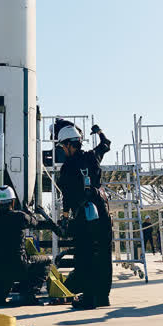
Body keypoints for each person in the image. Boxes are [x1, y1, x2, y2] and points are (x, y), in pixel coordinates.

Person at [56, 121, 112, 309]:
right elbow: (106, 144)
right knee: (103, 255)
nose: (63, 150)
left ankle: (88, 299)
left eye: (64, 146)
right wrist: (99, 131)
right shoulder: (92, 157)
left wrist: (64, 218)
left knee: (85, 256)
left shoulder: (67, 168)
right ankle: (102, 297)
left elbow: (66, 198)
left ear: (70, 144)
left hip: (84, 216)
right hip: (103, 213)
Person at [0, 185, 63, 305]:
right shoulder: (20, 217)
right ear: (13, 201)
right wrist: (28, 212)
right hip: (18, 265)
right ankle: (29, 293)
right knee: (46, 261)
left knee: (4, 272)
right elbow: (35, 222)